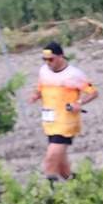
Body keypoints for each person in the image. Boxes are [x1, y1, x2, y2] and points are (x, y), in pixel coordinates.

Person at [27, 42, 98, 181]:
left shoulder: (74, 74)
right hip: (50, 122)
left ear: (61, 57)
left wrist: (79, 103)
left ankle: (51, 194)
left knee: (50, 161)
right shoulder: (43, 71)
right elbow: (41, 87)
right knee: (62, 168)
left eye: (51, 59)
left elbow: (93, 92)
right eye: (45, 59)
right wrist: (36, 95)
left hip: (66, 122)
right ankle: (83, 188)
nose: (48, 63)